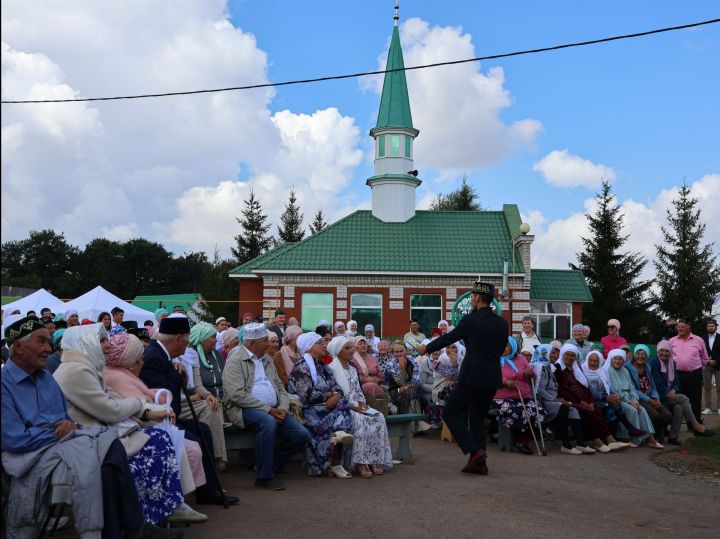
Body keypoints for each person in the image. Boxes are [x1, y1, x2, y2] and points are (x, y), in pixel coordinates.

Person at [1, 317, 183, 539]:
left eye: (49, 342)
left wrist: (70, 426)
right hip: (30, 457)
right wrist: (58, 431)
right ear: (17, 347)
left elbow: (66, 420)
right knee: (108, 458)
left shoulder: (47, 378)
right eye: (41, 341)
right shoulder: (5, 384)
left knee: (111, 447)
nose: (48, 349)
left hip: (67, 444)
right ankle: (133, 529)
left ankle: (130, 530)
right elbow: (14, 440)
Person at [53, 323, 194, 525]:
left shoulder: (88, 367)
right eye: (101, 340)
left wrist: (144, 409)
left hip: (102, 434)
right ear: (86, 343)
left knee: (162, 438)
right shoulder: (76, 371)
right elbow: (110, 409)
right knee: (158, 442)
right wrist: (141, 406)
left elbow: (114, 400)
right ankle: (152, 516)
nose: (107, 345)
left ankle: (164, 508)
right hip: (91, 440)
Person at [104, 333, 208, 523]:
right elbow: (134, 406)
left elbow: (142, 398)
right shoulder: (116, 376)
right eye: (139, 358)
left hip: (135, 427)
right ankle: (171, 505)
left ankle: (175, 502)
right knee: (188, 448)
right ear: (130, 363)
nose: (143, 362)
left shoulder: (120, 373)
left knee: (196, 435)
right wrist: (158, 408)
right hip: (125, 433)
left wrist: (160, 397)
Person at [140, 314, 238, 507]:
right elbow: (162, 394)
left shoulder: (162, 354)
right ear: (178, 338)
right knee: (198, 436)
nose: (188, 344)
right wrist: (179, 375)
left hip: (170, 417)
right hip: (159, 421)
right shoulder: (154, 356)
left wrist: (175, 369)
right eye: (187, 338)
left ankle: (207, 490)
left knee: (204, 430)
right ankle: (201, 492)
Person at [415, 282, 508, 475]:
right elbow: (499, 349)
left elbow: (450, 337)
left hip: (472, 377)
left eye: (472, 297)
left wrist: (426, 348)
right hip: (492, 378)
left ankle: (475, 452)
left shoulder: (470, 320)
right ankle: (480, 463)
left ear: (475, 298)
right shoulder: (502, 322)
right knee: (476, 418)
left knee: (449, 412)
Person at [223, 323, 310, 490]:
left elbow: (279, 387)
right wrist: (269, 410)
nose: (269, 344)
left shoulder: (266, 359)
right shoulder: (235, 360)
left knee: (302, 435)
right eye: (265, 341)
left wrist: (283, 408)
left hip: (275, 409)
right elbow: (236, 395)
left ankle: (270, 464)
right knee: (268, 422)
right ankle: (264, 476)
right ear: (252, 342)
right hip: (243, 409)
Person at [288, 332, 354, 478]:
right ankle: (333, 462)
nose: (324, 345)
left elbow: (338, 387)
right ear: (309, 346)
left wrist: (336, 395)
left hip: (326, 407)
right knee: (339, 414)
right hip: (309, 410)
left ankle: (336, 458)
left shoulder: (323, 366)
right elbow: (307, 396)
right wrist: (329, 395)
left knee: (342, 404)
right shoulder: (301, 367)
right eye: (320, 343)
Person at [327, 336, 393, 477]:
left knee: (378, 416)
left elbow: (358, 390)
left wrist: (363, 405)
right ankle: (360, 463)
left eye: (352, 347)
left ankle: (373, 460)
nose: (352, 351)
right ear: (338, 351)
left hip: (357, 403)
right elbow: (336, 392)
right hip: (342, 407)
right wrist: (354, 407)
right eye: (347, 348)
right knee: (360, 420)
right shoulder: (332, 368)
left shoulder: (352, 368)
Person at [555, 343, 629, 452]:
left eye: (572, 355)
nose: (570, 358)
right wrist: (581, 402)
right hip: (569, 400)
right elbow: (563, 390)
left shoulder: (576, 368)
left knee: (594, 409)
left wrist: (589, 401)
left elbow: (585, 387)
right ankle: (597, 441)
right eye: (567, 354)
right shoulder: (558, 368)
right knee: (586, 411)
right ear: (562, 354)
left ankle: (610, 439)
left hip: (583, 399)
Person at [181, 321, 228, 471]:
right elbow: (192, 388)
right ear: (201, 338)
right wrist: (203, 395)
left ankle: (217, 460)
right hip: (189, 401)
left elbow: (199, 384)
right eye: (212, 337)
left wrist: (207, 394)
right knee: (213, 407)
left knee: (213, 404)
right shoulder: (186, 354)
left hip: (214, 397)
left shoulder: (216, 356)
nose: (216, 340)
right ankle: (217, 461)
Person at [649, 340, 714, 445]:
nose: (664, 353)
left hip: (670, 395)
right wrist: (668, 392)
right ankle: (695, 425)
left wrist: (674, 390)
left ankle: (672, 437)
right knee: (684, 399)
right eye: (661, 351)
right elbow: (656, 383)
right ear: (657, 351)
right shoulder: (654, 363)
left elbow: (676, 381)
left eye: (667, 351)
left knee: (679, 408)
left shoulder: (673, 363)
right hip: (659, 396)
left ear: (670, 352)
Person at [582, 350, 648, 443]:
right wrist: (606, 398)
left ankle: (615, 435)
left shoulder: (602, 371)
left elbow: (609, 386)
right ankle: (616, 434)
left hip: (604, 398)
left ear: (600, 361)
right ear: (587, 360)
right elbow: (590, 391)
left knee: (616, 404)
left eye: (596, 361)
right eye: (591, 360)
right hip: (591, 400)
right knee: (609, 408)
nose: (593, 363)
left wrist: (613, 396)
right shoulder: (583, 372)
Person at [532, 344, 587, 455]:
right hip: (544, 402)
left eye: (555, 353)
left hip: (553, 400)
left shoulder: (548, 367)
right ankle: (565, 444)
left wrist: (559, 399)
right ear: (545, 354)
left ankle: (580, 443)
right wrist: (557, 400)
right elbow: (540, 390)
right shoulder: (541, 369)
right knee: (563, 407)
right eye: (552, 353)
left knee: (574, 410)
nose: (555, 355)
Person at [494, 338, 544, 454]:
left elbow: (532, 376)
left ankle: (523, 440)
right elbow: (491, 376)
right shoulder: (494, 359)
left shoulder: (521, 359)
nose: (502, 348)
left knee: (536, 410)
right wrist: (505, 381)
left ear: (513, 347)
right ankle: (521, 441)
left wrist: (530, 373)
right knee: (519, 410)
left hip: (523, 395)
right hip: (502, 396)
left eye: (506, 346)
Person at [626, 345, 672, 444]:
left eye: (643, 354)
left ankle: (656, 436)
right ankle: (651, 438)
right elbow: (632, 388)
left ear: (647, 356)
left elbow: (653, 386)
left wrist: (656, 398)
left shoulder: (647, 367)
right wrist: (649, 400)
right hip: (638, 397)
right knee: (655, 415)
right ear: (634, 354)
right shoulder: (628, 368)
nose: (640, 356)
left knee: (667, 415)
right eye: (638, 353)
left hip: (650, 396)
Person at [670, 318, 710, 422]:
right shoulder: (672, 341)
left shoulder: (699, 340)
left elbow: (704, 358)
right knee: (678, 400)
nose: (679, 329)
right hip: (677, 375)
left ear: (689, 328)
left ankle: (694, 424)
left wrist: (700, 370)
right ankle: (677, 423)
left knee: (695, 400)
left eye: (682, 327)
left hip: (694, 374)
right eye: (678, 327)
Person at [384, 341, 429, 426]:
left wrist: (408, 386)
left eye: (401, 351)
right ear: (393, 353)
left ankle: (411, 423)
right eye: (397, 352)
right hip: (395, 390)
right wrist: (401, 368)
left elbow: (416, 378)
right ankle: (417, 421)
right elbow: (399, 382)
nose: (399, 354)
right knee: (412, 392)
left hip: (411, 388)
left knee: (411, 392)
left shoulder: (411, 360)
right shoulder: (390, 364)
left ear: (405, 351)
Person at [353, 335, 387, 405]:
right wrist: (367, 380)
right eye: (360, 344)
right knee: (370, 386)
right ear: (355, 347)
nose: (363, 345)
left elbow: (379, 372)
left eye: (364, 343)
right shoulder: (353, 359)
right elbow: (354, 376)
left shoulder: (372, 358)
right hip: (360, 385)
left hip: (376, 382)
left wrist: (378, 379)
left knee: (375, 386)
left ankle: (383, 405)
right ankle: (381, 405)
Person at [701, 318, 719, 415]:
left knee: (719, 387)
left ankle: (719, 408)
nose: (710, 327)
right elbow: (701, 351)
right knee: (707, 387)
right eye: (709, 326)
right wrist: (707, 361)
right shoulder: (702, 338)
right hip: (707, 365)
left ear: (716, 326)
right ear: (707, 327)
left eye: (712, 326)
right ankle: (708, 407)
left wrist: (716, 361)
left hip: (719, 365)